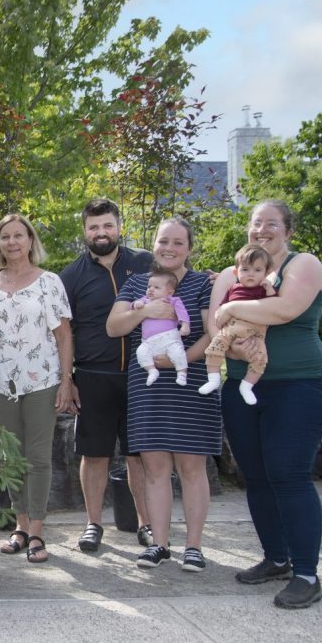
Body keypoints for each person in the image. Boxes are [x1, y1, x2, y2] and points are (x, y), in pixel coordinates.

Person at [209, 200, 322, 609]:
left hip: (296, 388)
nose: (262, 230)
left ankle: (307, 575)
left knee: (289, 475)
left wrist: (231, 307)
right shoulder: (231, 272)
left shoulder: (303, 265)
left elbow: (284, 308)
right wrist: (232, 339)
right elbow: (214, 327)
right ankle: (276, 558)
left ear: (287, 230)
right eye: (256, 223)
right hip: (242, 388)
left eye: (271, 224)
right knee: (255, 477)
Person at [107, 217, 219, 572]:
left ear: (189, 248)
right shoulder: (138, 283)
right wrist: (146, 313)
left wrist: (181, 360)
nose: (169, 248)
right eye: (163, 241)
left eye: (178, 243)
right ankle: (158, 544)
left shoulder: (204, 283)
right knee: (155, 470)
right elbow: (113, 326)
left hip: (192, 382)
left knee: (191, 468)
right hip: (148, 387)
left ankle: (194, 547)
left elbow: (212, 332)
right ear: (153, 244)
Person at [0, 214, 73, 564]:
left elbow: (63, 335)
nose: (12, 242)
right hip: (0, 384)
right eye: (5, 237)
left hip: (42, 381)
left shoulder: (50, 283)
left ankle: (37, 532)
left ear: (31, 241)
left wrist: (66, 380)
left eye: (19, 236)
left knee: (38, 457)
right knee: (10, 458)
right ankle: (19, 526)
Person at [59, 198, 153, 552]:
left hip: (142, 377)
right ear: (84, 231)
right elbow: (63, 333)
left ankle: (145, 524)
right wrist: (67, 379)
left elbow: (181, 285)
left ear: (118, 226)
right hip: (93, 377)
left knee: (138, 455)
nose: (101, 233)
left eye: (107, 225)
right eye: (94, 227)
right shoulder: (70, 276)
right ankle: (92, 524)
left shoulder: (145, 263)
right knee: (94, 455)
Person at [199, 243, 274, 405]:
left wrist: (269, 289)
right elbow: (222, 306)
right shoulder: (233, 288)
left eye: (257, 270)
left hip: (256, 332)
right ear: (236, 272)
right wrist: (220, 316)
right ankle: (213, 378)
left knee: (261, 359)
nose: (251, 274)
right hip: (231, 328)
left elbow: (272, 308)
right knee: (214, 348)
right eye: (245, 269)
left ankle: (247, 385)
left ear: (266, 272)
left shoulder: (263, 289)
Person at [131, 269, 191, 386]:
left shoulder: (173, 301)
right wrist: (136, 304)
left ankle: (182, 374)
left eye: (156, 287)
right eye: (149, 286)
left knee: (178, 353)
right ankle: (152, 370)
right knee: (141, 352)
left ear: (169, 293)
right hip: (148, 341)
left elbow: (182, 312)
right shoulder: (145, 300)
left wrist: (185, 325)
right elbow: (133, 305)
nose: (150, 289)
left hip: (169, 338)